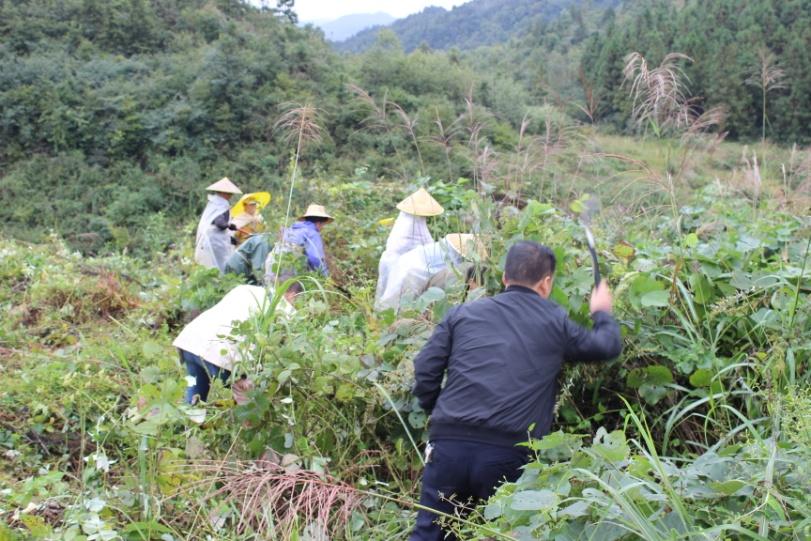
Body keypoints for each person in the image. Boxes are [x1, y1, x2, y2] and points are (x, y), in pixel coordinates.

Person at [409, 241, 623, 541]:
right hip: (509, 452)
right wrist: (601, 312)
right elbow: (606, 346)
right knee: (508, 533)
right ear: (546, 283)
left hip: (450, 447)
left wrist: (441, 418)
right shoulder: (555, 321)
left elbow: (425, 369)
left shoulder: (462, 315)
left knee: (431, 535)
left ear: (505, 277)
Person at [172, 279, 302, 404]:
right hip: (221, 355)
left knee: (194, 395)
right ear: (292, 294)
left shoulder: (246, 289)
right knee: (250, 403)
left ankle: (186, 422)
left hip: (192, 341)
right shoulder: (284, 308)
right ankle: (248, 424)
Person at [377, 233, 485, 311]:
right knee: (401, 303)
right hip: (412, 270)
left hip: (409, 263)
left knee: (401, 299)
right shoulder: (451, 256)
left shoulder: (445, 251)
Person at [375, 188, 444, 308]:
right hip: (400, 266)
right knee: (395, 299)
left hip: (396, 264)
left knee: (390, 297)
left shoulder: (409, 223)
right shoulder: (408, 224)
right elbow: (417, 249)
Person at [265, 204, 332, 282]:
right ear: (319, 223)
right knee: (292, 292)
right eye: (323, 225)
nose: (322, 228)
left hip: (272, 264)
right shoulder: (312, 233)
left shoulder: (291, 229)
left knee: (273, 292)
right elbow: (315, 258)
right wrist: (326, 277)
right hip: (288, 267)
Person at [195, 177, 242, 272]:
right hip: (214, 241)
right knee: (219, 266)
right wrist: (229, 225)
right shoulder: (219, 204)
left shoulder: (215, 203)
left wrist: (230, 238)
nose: (231, 195)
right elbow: (219, 223)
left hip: (214, 239)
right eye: (229, 193)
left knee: (217, 266)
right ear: (222, 192)